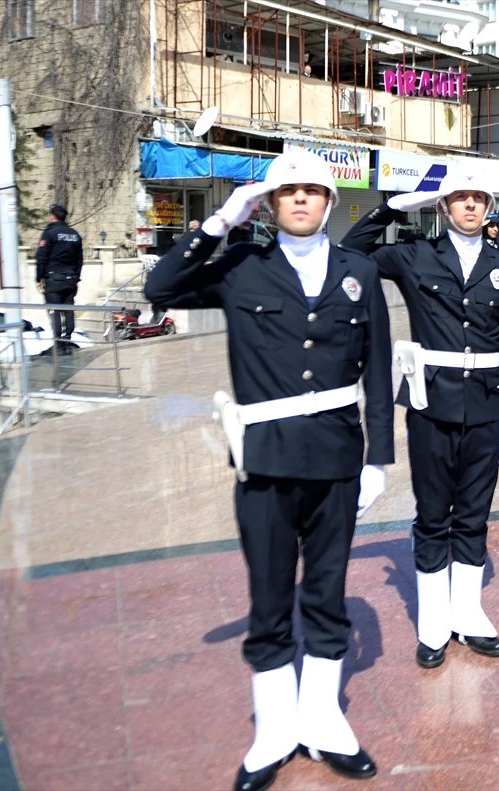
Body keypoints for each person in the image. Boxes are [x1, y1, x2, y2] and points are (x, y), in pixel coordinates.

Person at [144, 150, 393, 790]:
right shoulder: (240, 268)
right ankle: (276, 729)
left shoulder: (359, 271)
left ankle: (324, 722)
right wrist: (216, 224)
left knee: (328, 592)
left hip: (338, 459)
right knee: (269, 595)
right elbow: (160, 288)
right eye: (289, 192)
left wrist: (379, 461)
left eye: (314, 191)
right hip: (265, 460)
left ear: (330, 203)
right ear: (271, 204)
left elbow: (380, 372)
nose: (302, 200)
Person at [340, 169, 499, 670]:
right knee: (431, 515)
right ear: (444, 207)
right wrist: (393, 207)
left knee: (473, 514)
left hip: (487, 406)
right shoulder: (414, 254)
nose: (470, 205)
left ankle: (468, 614)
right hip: (430, 405)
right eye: (460, 198)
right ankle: (433, 621)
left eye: (478, 198)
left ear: (488, 207)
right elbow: (350, 251)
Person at [34, 203, 84, 351]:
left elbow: (41, 257)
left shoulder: (49, 233)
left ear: (52, 216)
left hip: (54, 280)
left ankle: (58, 342)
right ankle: (67, 338)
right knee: (68, 309)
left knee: (54, 310)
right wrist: (76, 277)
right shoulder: (75, 235)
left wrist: (38, 278)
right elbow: (79, 260)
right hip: (70, 279)